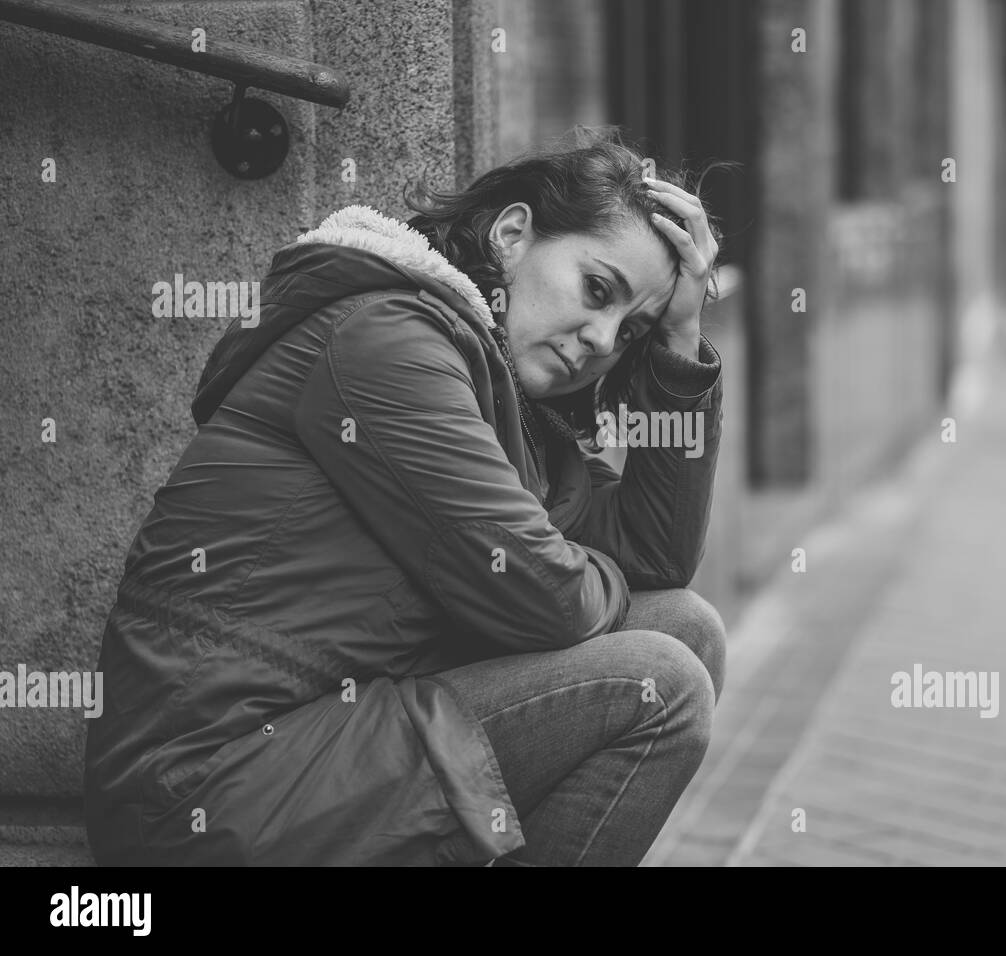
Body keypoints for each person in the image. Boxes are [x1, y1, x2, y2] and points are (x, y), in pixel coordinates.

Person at [83, 129, 730, 866]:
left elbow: (655, 555)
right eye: (597, 290)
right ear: (513, 235)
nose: (602, 338)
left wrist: (681, 337)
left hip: (335, 737)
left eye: (632, 330)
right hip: (209, 786)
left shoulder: (513, 413)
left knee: (688, 629)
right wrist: (567, 566)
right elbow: (545, 595)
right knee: (662, 682)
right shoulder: (385, 339)